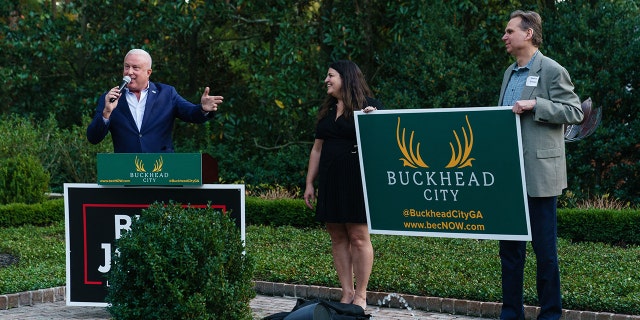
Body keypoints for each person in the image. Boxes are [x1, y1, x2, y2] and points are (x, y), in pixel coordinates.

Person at [498, 10, 583, 320]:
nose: (504, 37)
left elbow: (574, 111)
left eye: (509, 31)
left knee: (545, 253)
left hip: (539, 176)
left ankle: (550, 315)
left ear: (528, 34)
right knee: (509, 252)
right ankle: (511, 314)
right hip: (508, 178)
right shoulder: (509, 72)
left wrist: (535, 105)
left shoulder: (551, 70)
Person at [303, 60, 381, 311]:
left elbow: (384, 139)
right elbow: (317, 150)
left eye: (331, 75)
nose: (326, 80)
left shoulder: (369, 106)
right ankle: (346, 293)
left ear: (346, 78)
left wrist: (375, 122)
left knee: (359, 237)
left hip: (357, 181)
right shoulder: (326, 112)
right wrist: (309, 183)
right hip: (330, 180)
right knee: (337, 237)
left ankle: (361, 294)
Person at [87, 48, 223, 153]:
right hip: (126, 173)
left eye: (135, 68)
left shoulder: (166, 94)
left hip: (161, 172)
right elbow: (93, 138)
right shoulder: (110, 98)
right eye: (126, 67)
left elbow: (191, 113)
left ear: (148, 72)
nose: (129, 72)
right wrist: (106, 113)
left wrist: (203, 108)